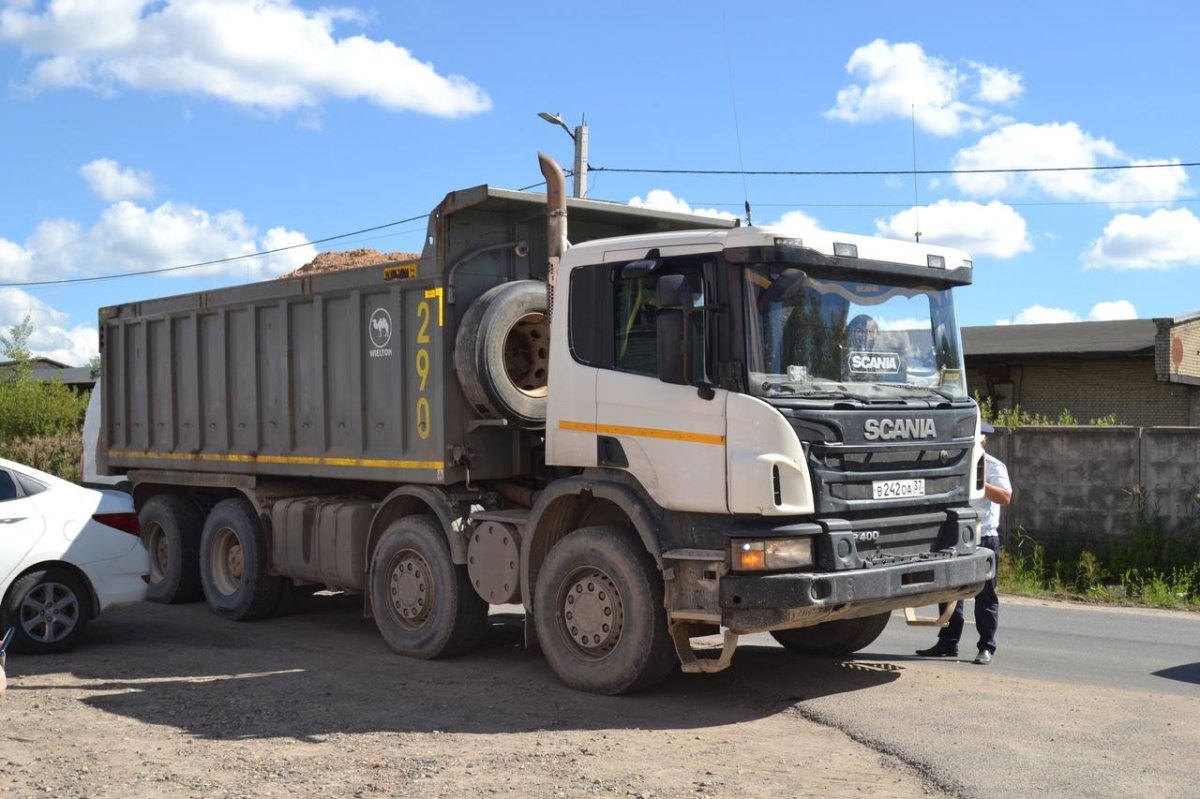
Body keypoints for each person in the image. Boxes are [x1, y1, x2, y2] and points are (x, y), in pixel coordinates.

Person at [916, 422, 1012, 664]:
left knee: (985, 594)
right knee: (948, 591)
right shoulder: (950, 463)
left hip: (984, 537)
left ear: (983, 441)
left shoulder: (992, 466)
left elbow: (1005, 496)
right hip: (954, 535)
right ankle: (948, 643)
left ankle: (986, 646)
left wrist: (978, 481)